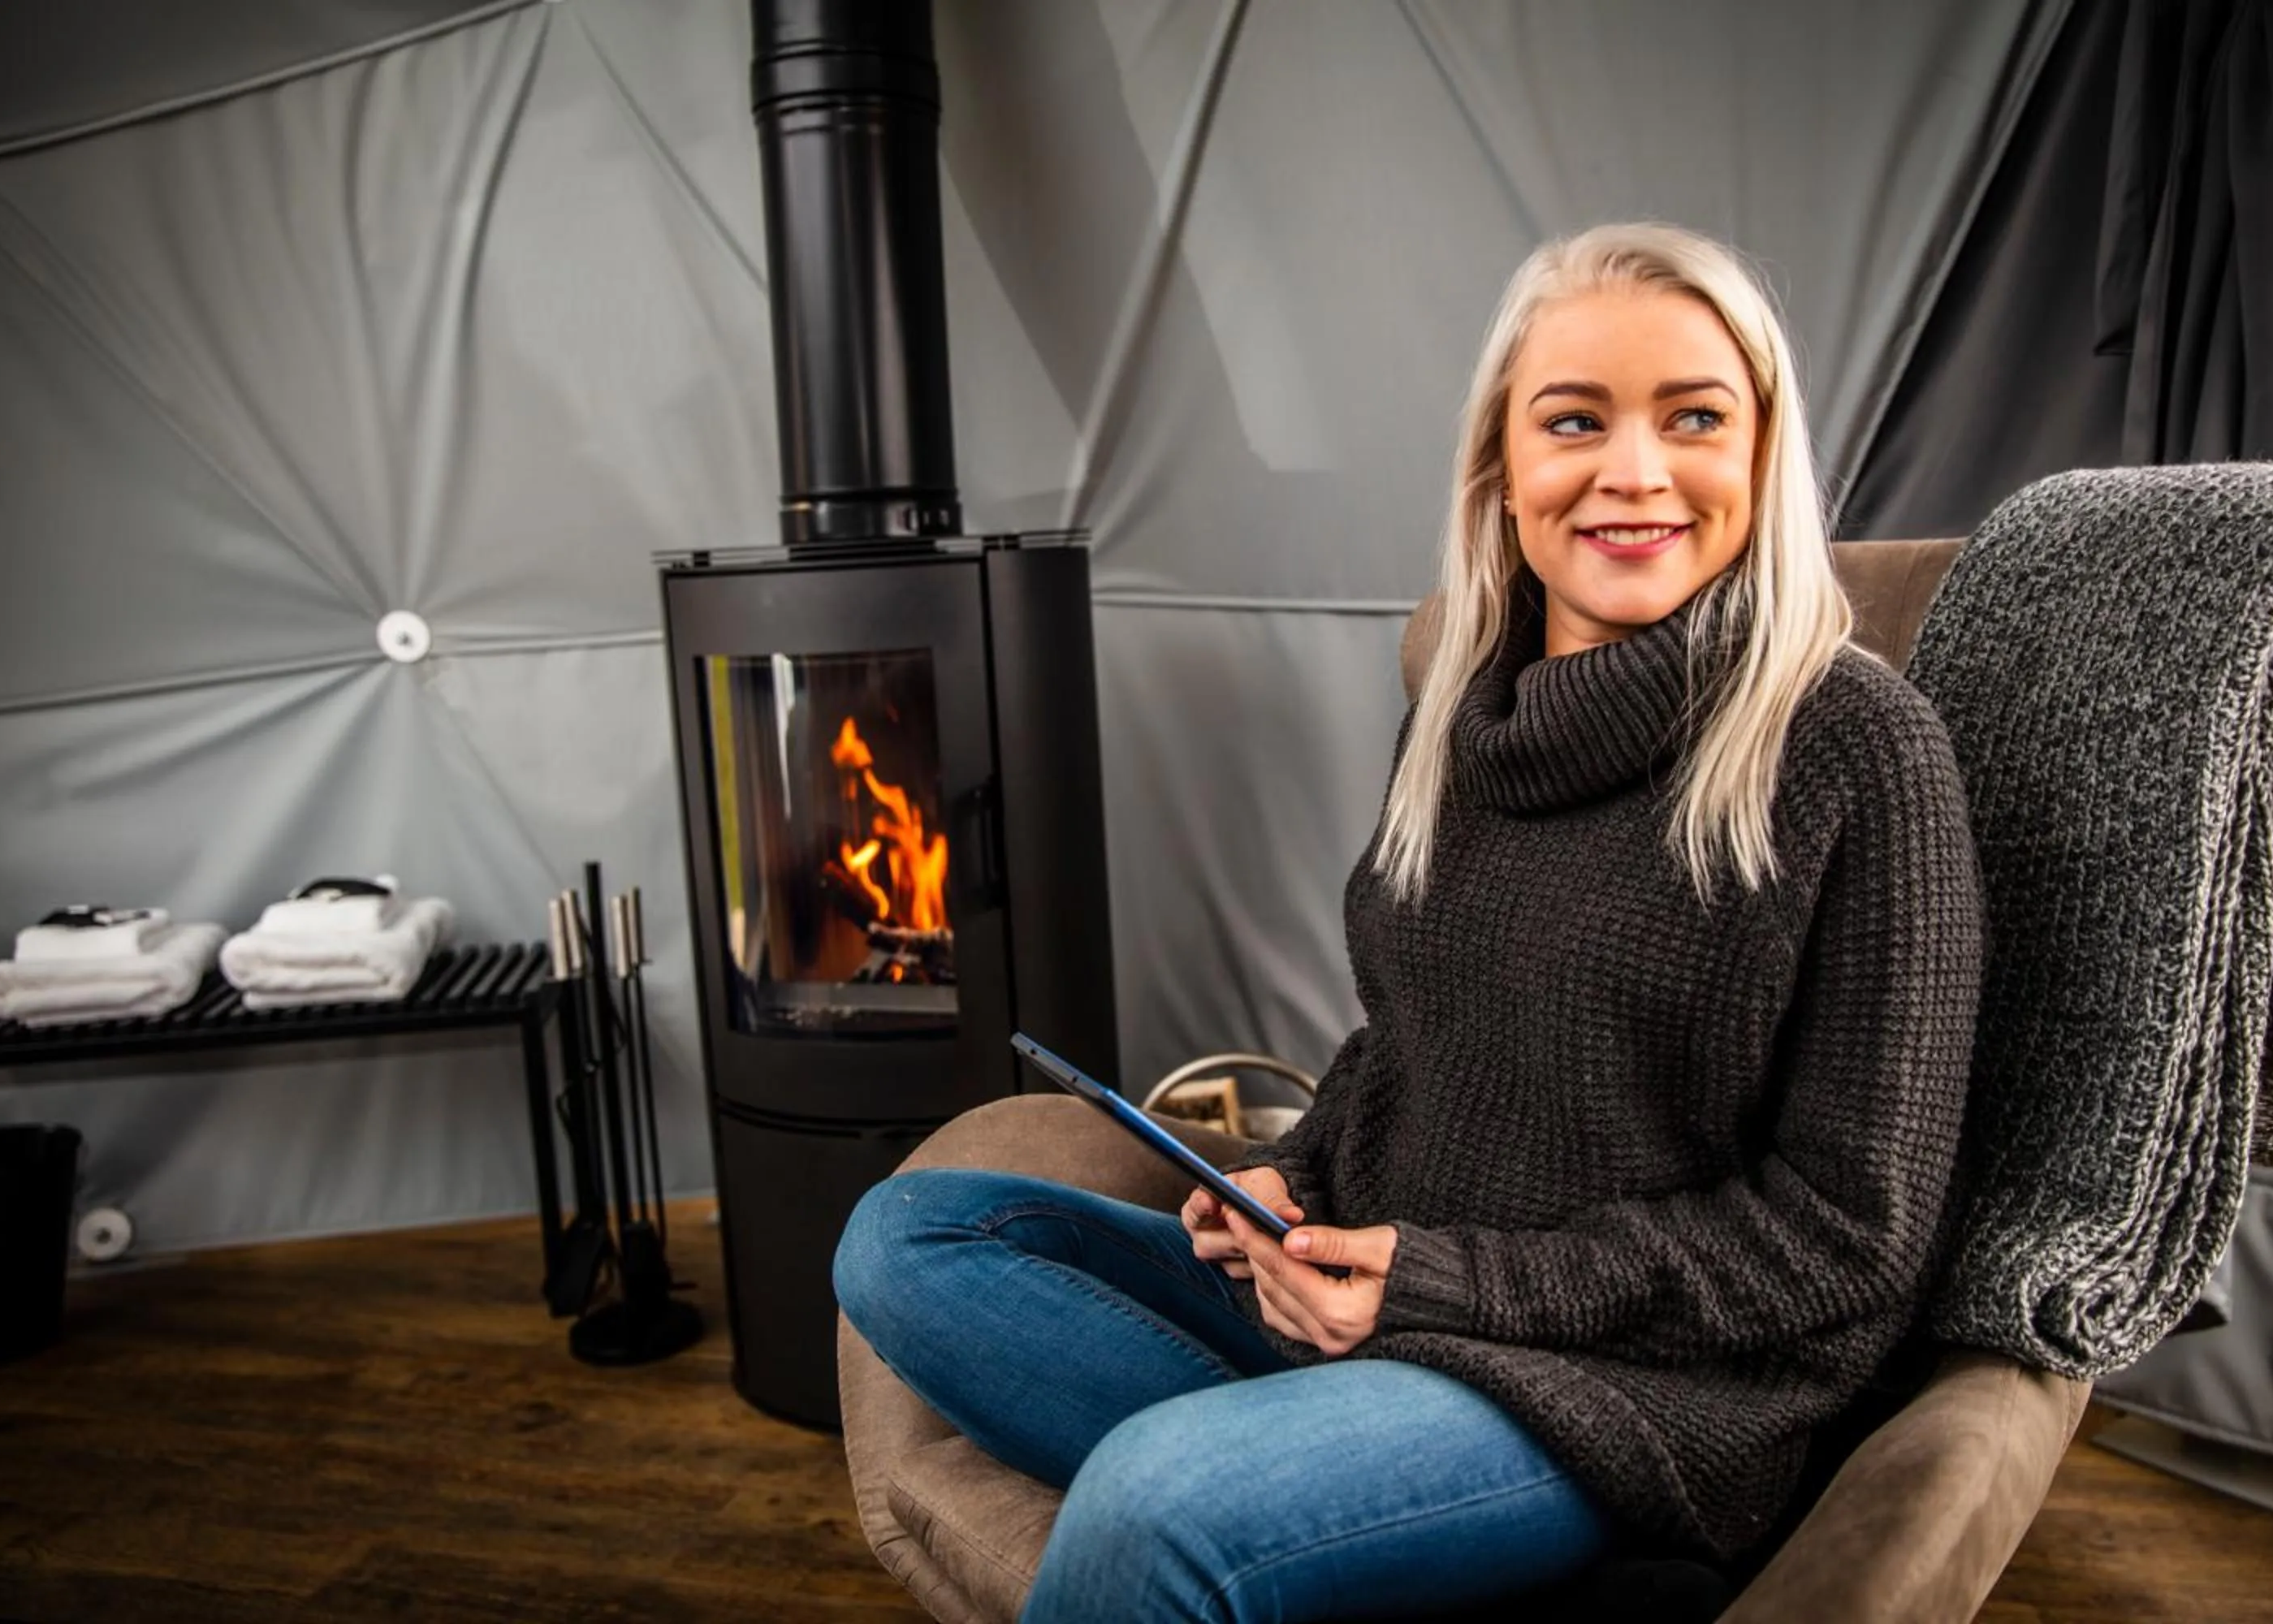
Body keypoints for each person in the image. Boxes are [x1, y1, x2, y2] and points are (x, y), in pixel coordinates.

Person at [833, 222, 1983, 1622]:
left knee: (1155, 1502)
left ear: (1760, 457)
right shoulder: (1461, 714)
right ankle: (1326, 1506)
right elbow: (1405, 1041)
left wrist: (1432, 1288)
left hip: (1625, 1398)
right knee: (906, 1245)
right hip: (1375, 1307)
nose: (1636, 471)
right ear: (1504, 477)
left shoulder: (1855, 746)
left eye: (1696, 418)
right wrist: (1296, 1187)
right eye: (1576, 421)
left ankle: (1278, 1503)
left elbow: (1847, 1238)